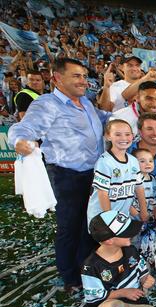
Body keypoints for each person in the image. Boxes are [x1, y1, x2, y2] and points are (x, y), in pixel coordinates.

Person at [9, 58, 111, 292]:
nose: (83, 81)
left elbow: (103, 118)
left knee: (89, 225)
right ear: (57, 78)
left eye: (84, 76)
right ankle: (71, 278)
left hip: (93, 174)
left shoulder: (85, 103)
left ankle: (87, 270)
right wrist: (21, 141)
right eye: (76, 76)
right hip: (66, 176)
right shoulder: (48, 104)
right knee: (70, 227)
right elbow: (23, 127)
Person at [82, 211, 156, 307]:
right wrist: (123, 292)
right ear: (109, 240)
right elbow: (95, 298)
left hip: (134, 300)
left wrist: (146, 279)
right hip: (108, 302)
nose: (132, 234)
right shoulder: (91, 266)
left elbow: (142, 271)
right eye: (126, 232)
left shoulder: (130, 250)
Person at [87, 119, 148, 226]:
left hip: (121, 218)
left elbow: (139, 187)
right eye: (118, 134)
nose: (124, 138)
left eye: (127, 134)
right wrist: (109, 219)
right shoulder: (105, 162)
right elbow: (103, 193)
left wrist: (143, 211)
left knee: (122, 243)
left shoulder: (133, 161)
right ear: (108, 136)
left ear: (133, 136)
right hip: (103, 218)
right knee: (108, 243)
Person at [131, 148, 156, 264]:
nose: (148, 164)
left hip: (149, 220)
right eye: (142, 161)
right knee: (134, 242)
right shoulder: (132, 180)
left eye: (150, 161)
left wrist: (153, 217)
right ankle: (132, 264)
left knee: (149, 243)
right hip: (135, 219)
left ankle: (147, 265)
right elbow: (128, 202)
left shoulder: (154, 180)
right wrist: (137, 216)